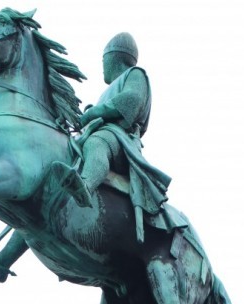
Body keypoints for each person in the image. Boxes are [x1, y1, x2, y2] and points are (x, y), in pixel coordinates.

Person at [52, 32, 172, 242]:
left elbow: (131, 100)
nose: (102, 66)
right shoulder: (107, 91)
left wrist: (95, 113)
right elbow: (92, 116)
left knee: (97, 145)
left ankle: (85, 186)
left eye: (103, 60)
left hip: (119, 138)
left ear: (114, 56)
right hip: (98, 132)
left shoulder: (135, 74)